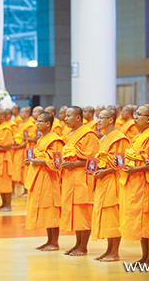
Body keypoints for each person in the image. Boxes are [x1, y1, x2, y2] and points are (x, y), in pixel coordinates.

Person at [121, 104, 149, 265]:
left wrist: (135, 169)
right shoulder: (139, 136)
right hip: (137, 182)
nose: (135, 116)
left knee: (148, 222)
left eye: (139, 114)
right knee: (141, 223)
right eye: (136, 113)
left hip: (147, 183)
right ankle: (144, 256)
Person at [91, 108, 130, 262]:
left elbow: (120, 163)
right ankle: (108, 250)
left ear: (111, 120)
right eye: (98, 117)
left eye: (102, 118)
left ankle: (115, 252)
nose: (98, 120)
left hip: (113, 181)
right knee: (107, 217)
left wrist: (105, 171)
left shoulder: (119, 139)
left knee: (113, 216)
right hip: (103, 181)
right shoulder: (104, 138)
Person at [60, 106, 100, 256]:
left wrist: (74, 164)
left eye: (69, 116)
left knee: (83, 213)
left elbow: (93, 160)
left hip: (83, 178)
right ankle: (77, 244)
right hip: (71, 178)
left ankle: (83, 246)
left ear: (78, 118)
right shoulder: (73, 134)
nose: (65, 118)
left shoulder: (88, 135)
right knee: (76, 213)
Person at [24, 111, 64, 251]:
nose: (37, 123)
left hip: (50, 179)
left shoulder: (55, 140)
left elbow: (57, 162)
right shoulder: (42, 139)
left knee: (51, 209)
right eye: (37, 121)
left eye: (40, 121)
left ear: (48, 124)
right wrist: (32, 161)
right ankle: (49, 241)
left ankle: (55, 242)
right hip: (40, 177)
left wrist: (40, 161)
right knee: (46, 211)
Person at [12, 106, 36, 196]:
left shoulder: (30, 125)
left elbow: (29, 139)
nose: (21, 114)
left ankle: (26, 190)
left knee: (25, 169)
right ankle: (24, 190)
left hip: (25, 149)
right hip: (19, 150)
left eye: (22, 112)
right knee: (20, 170)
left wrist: (18, 146)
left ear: (27, 114)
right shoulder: (21, 124)